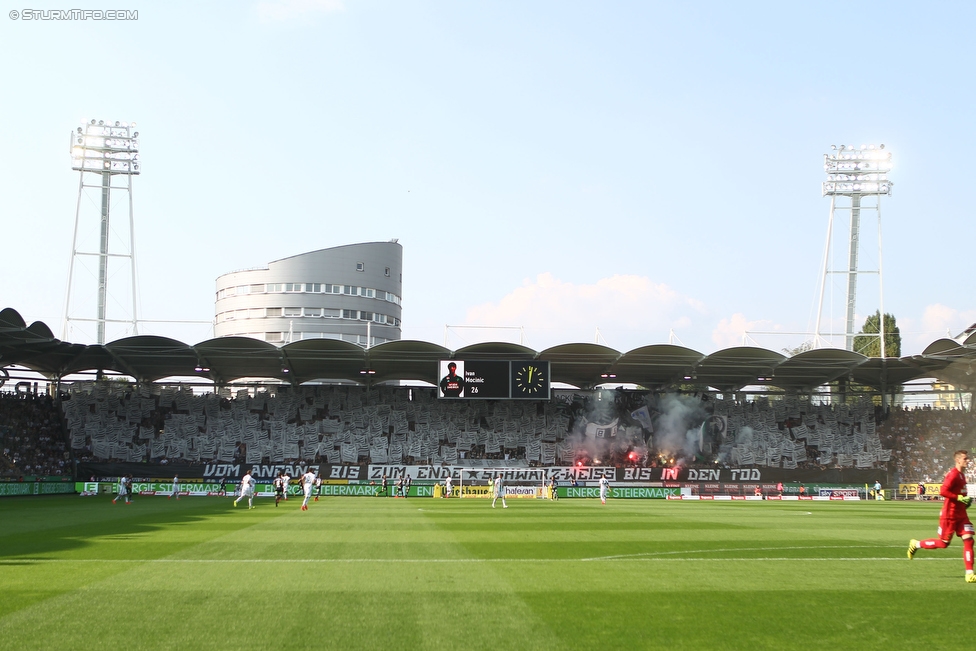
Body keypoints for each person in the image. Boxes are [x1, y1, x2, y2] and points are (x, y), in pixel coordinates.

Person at [908, 450, 976, 583]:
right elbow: (943, 491)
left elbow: (960, 495)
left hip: (961, 515)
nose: (968, 461)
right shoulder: (953, 475)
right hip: (949, 515)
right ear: (958, 460)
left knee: (969, 540)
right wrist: (958, 498)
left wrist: (965, 501)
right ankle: (916, 544)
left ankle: (969, 574)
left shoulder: (962, 475)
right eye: (965, 458)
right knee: (944, 543)